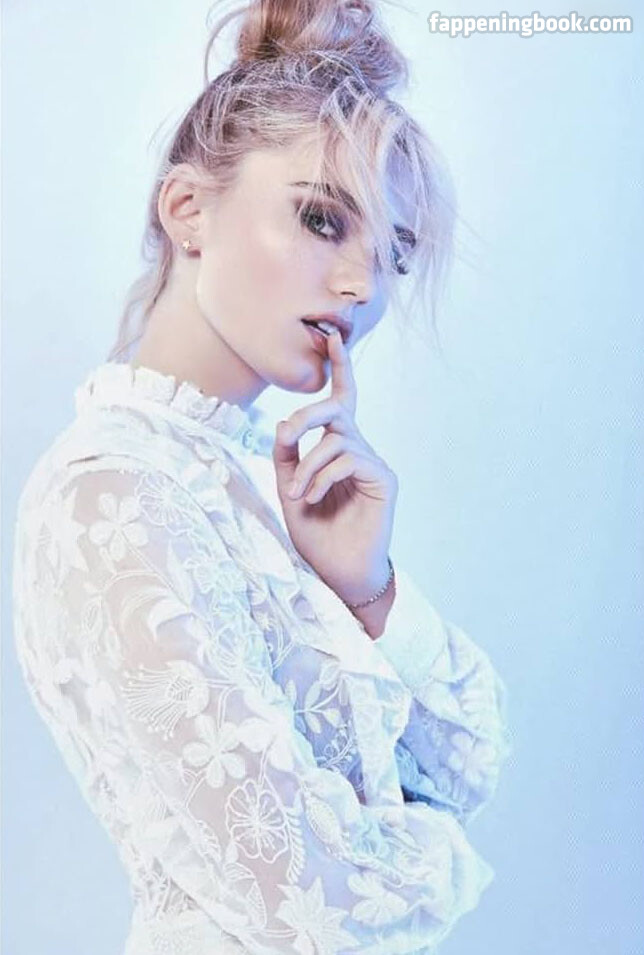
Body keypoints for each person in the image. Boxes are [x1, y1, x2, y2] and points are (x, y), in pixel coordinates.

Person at [12, 0, 512, 951]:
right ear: (187, 210)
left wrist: (367, 589)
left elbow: (469, 763)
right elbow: (315, 901)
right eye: (322, 220)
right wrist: (443, 855)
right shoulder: (110, 493)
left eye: (393, 256)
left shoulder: (255, 481)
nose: (363, 286)